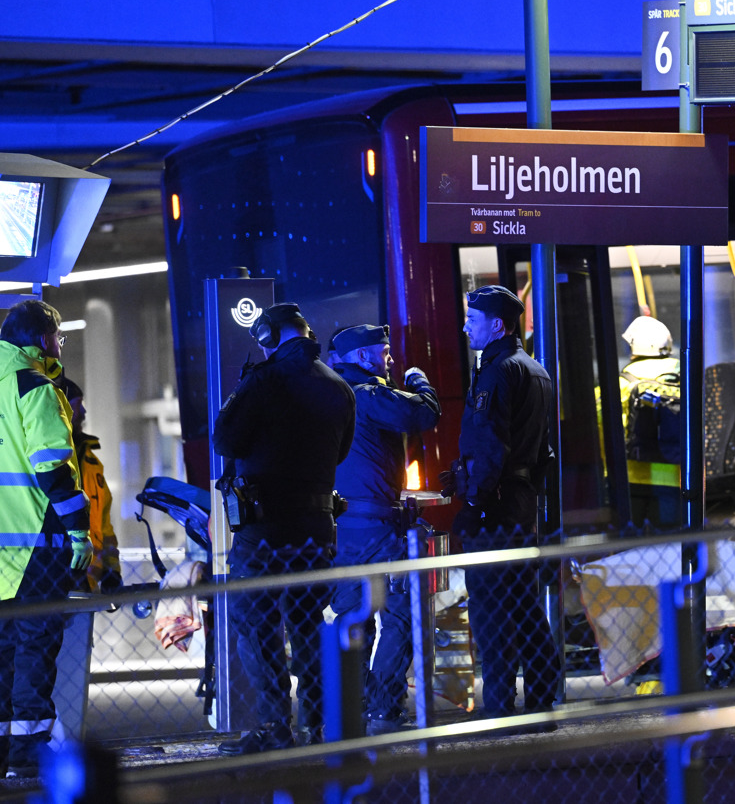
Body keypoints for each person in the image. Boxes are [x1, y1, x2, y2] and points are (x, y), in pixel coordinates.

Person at [213, 303, 356, 754]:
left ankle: (276, 725)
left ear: (270, 335)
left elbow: (224, 440)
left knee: (255, 622)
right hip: (317, 527)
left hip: (264, 528)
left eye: (261, 339)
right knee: (308, 623)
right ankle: (317, 725)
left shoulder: (264, 380)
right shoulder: (339, 387)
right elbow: (341, 454)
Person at [443, 284, 560, 723]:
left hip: (494, 503)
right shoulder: (535, 369)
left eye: (472, 320)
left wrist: (474, 500)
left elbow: (490, 443)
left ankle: (497, 704)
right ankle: (544, 691)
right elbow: (542, 448)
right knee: (523, 602)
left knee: (491, 606)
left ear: (496, 324)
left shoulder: (496, 372)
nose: (465, 326)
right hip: (520, 501)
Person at [328, 324, 441, 736]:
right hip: (378, 527)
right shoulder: (370, 395)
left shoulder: (332, 398)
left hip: (343, 528)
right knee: (402, 614)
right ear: (362, 358)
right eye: (385, 352)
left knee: (352, 616)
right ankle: (384, 705)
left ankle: (351, 705)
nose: (390, 359)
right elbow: (423, 413)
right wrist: (419, 381)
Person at [0, 301, 89, 779]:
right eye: (58, 337)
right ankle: (30, 755)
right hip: (34, 540)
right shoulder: (34, 385)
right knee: (34, 644)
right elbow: (53, 467)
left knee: (2, 648)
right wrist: (79, 531)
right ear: (41, 339)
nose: (59, 346)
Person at [54, 377, 121, 595]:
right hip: (52, 581)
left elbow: (104, 525)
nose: (83, 412)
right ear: (61, 408)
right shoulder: (46, 460)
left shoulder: (92, 463)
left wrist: (112, 570)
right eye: (77, 404)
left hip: (86, 585)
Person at [618, 315, 683, 528]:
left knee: (627, 547)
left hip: (632, 475)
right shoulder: (683, 374)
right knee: (669, 546)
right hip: (675, 476)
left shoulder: (624, 380)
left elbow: (602, 425)